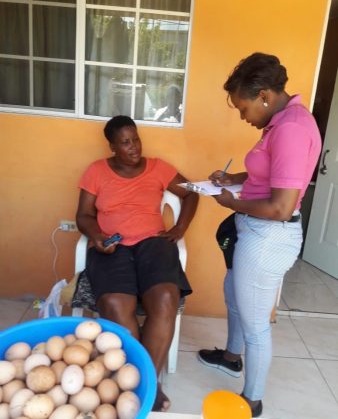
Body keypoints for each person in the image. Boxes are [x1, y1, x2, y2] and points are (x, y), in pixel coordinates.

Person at [197, 53, 322, 417]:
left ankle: (252, 400)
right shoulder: (279, 122)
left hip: (268, 236)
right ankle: (232, 358)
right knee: (233, 293)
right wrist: (234, 180)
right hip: (254, 231)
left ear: (264, 95)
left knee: (255, 325)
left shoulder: (292, 129)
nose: (243, 116)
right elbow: (272, 174)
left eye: (243, 108)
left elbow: (281, 206)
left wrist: (229, 203)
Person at [76, 115, 199, 411]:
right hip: (112, 246)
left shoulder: (158, 167)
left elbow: (192, 192)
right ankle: (136, 376)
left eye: (136, 139)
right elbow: (83, 215)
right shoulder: (96, 171)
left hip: (154, 243)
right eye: (125, 142)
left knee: (166, 299)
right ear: (112, 147)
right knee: (117, 306)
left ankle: (147, 381)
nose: (134, 148)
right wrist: (98, 237)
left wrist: (179, 228)